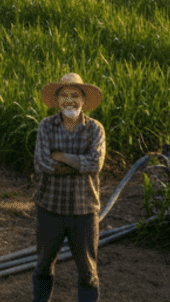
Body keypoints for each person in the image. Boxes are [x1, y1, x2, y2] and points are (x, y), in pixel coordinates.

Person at [32, 72, 106, 302]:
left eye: (75, 95)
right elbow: (41, 163)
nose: (70, 100)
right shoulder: (46, 126)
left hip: (84, 211)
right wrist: (78, 165)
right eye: (65, 95)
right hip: (50, 208)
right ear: (57, 100)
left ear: (83, 100)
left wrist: (61, 156)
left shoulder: (95, 129)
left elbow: (95, 164)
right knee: (43, 265)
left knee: (88, 271)